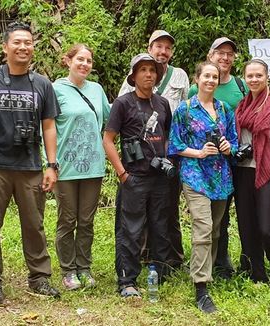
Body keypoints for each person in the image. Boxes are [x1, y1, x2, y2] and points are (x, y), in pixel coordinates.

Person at [0, 22, 60, 304]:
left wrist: (52, 164)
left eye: (28, 42)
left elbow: (48, 125)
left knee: (34, 224)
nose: (23, 47)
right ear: (5, 47)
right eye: (17, 42)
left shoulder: (42, 84)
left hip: (30, 166)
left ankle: (39, 277)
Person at [168, 61, 238, 313]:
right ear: (197, 79)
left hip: (221, 177)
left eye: (215, 76)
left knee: (216, 230)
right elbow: (174, 145)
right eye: (206, 76)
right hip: (195, 175)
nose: (210, 80)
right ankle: (201, 287)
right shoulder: (185, 110)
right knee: (203, 227)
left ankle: (204, 269)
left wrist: (230, 147)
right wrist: (198, 153)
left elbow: (234, 141)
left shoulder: (225, 108)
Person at [103, 53, 173, 298]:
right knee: (130, 229)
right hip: (134, 177)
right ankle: (127, 280)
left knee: (160, 227)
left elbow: (168, 136)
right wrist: (122, 174)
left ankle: (162, 272)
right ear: (133, 76)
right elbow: (108, 140)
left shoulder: (162, 104)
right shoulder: (123, 103)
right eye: (143, 70)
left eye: (152, 71)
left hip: (159, 179)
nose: (148, 74)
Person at [118, 30, 189, 269]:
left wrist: (171, 156)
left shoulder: (178, 77)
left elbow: (179, 120)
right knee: (135, 219)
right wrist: (122, 172)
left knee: (166, 214)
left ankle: (169, 262)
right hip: (136, 167)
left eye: (168, 48)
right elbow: (115, 124)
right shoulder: (128, 94)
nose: (163, 51)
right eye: (158, 46)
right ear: (150, 48)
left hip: (167, 160)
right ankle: (134, 265)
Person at [52, 44, 110, 290]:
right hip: (65, 166)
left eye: (89, 61)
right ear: (68, 60)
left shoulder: (96, 90)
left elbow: (109, 121)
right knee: (67, 219)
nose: (85, 64)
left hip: (93, 166)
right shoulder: (55, 89)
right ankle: (68, 270)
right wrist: (50, 163)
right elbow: (47, 128)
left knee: (86, 220)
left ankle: (84, 267)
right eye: (80, 59)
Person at [188, 37, 247, 279]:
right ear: (210, 56)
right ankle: (206, 270)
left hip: (231, 162)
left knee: (223, 218)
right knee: (206, 221)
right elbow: (183, 132)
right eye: (220, 53)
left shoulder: (240, 86)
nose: (225, 57)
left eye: (229, 54)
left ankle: (220, 261)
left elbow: (257, 98)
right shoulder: (193, 95)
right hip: (201, 167)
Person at [234, 58, 270, 284]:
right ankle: (256, 271)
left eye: (259, 76)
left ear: (267, 78)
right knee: (247, 225)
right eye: (250, 76)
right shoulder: (241, 107)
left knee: (267, 227)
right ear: (244, 79)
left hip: (266, 172)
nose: (254, 79)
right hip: (242, 171)